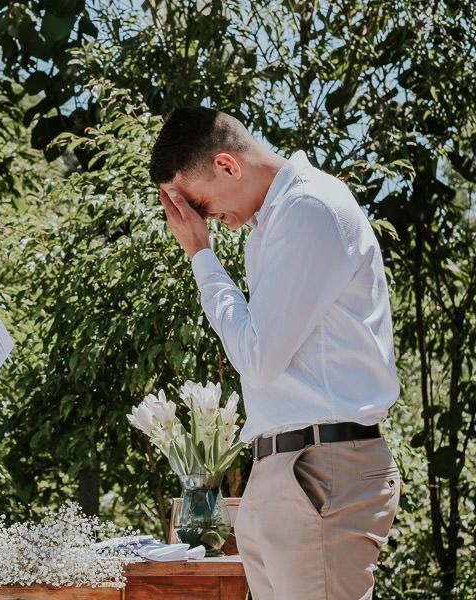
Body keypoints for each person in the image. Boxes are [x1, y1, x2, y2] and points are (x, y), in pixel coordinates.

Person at [150, 107, 400, 599]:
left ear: (227, 165)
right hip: (283, 467)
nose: (205, 220)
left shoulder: (309, 208)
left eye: (200, 203)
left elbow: (260, 359)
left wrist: (201, 256)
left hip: (320, 466)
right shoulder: (269, 227)